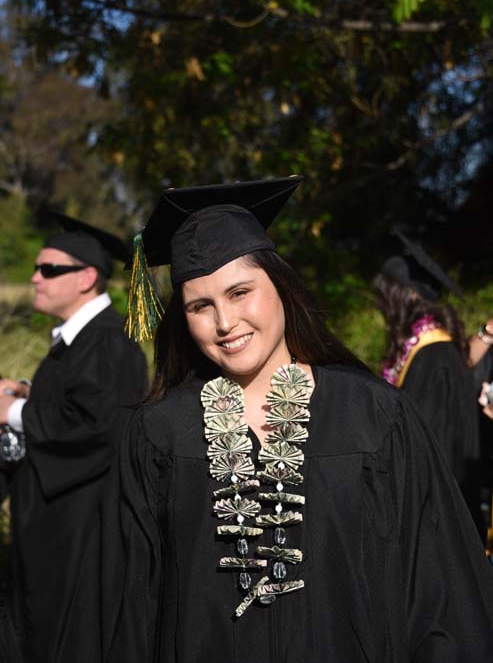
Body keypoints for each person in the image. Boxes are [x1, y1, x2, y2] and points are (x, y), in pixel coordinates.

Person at [103, 178, 493, 663]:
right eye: (200, 306)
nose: (225, 323)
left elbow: (438, 593)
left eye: (241, 292)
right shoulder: (160, 435)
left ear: (281, 288)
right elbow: (133, 611)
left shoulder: (373, 417)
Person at [0, 213, 148, 663]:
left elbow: (96, 428)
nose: (34, 278)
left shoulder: (107, 344)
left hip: (80, 537)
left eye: (48, 269)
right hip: (53, 532)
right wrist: (29, 391)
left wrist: (14, 411)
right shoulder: (80, 342)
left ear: (86, 277)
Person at [374, 230, 480, 501]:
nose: (380, 305)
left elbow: (435, 450)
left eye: (385, 296)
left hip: (435, 510)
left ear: (408, 296)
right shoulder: (416, 351)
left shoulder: (436, 358)